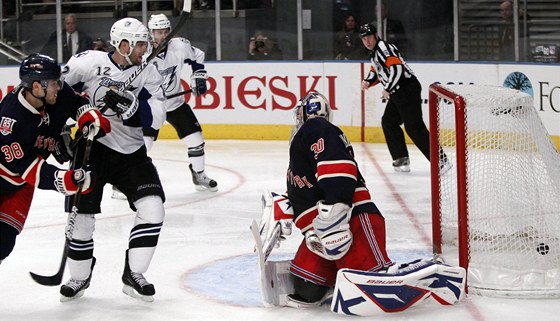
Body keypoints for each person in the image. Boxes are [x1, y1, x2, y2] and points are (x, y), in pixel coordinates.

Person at [59, 17, 167, 302]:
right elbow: (56, 89)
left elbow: (158, 113)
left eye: (146, 43)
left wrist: (134, 109)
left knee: (153, 208)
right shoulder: (88, 62)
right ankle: (79, 277)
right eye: (141, 43)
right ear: (123, 43)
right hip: (90, 149)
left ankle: (134, 274)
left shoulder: (148, 72)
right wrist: (77, 113)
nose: (145, 49)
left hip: (130, 153)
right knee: (81, 219)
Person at [284, 91, 394, 305]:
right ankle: (340, 273)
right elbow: (306, 186)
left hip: (351, 220)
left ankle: (369, 272)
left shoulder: (316, 127)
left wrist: (335, 210)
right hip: (320, 232)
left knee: (370, 289)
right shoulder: (305, 140)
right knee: (306, 289)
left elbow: (337, 169)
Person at [0, 53, 110, 265]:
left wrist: (88, 115)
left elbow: (77, 101)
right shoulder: (11, 119)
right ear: (36, 86)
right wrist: (68, 180)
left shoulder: (55, 94)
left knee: (4, 243)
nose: (58, 87)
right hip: (11, 174)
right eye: (53, 83)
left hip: (19, 184)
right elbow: (32, 171)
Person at [144, 13, 217, 192]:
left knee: (196, 139)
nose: (162, 36)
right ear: (150, 33)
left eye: (165, 31)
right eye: (158, 32)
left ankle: (198, 174)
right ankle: (124, 182)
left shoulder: (180, 46)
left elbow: (197, 57)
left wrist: (198, 77)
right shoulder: (142, 51)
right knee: (142, 145)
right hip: (152, 105)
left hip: (175, 102)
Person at [360, 23, 436, 172]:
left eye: (369, 37)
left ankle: (440, 161)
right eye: (364, 39)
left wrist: (388, 88)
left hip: (407, 88)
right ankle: (401, 158)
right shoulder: (375, 53)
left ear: (376, 36)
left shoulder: (383, 48)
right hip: (398, 90)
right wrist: (368, 81)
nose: (367, 41)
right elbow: (377, 70)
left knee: (414, 127)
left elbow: (397, 69)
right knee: (389, 121)